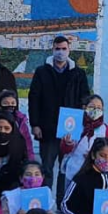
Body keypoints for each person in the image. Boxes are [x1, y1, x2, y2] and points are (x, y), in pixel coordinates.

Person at [28, 35, 90, 188]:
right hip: (47, 128)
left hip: (70, 130)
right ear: (52, 49)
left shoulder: (78, 74)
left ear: (69, 50)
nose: (60, 52)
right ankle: (47, 202)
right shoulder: (42, 72)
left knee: (66, 168)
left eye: (64, 49)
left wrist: (81, 125)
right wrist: (35, 124)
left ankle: (62, 202)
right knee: (47, 168)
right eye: (57, 49)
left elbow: (85, 98)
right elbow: (34, 99)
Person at [59, 94, 108, 191]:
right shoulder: (74, 125)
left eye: (99, 108)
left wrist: (96, 156)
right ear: (84, 107)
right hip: (74, 171)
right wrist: (68, 143)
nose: (95, 110)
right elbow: (64, 150)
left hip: (96, 174)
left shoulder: (106, 130)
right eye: (92, 107)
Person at [0, 89, 35, 160]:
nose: (10, 105)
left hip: (16, 158)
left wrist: (30, 161)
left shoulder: (20, 121)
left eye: (13, 103)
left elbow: (28, 143)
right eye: (6, 103)